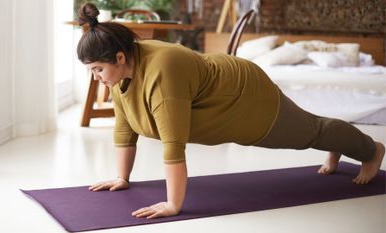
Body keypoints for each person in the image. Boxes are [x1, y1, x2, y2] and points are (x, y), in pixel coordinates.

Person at [77, 3, 385, 219]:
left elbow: (173, 144)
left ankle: (371, 150)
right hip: (220, 94)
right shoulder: (122, 71)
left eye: (97, 69)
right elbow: (125, 126)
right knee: (311, 131)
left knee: (307, 132)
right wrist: (122, 177)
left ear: (119, 56)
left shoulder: (161, 70)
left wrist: (173, 204)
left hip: (244, 95)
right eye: (91, 71)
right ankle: (335, 143)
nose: (96, 77)